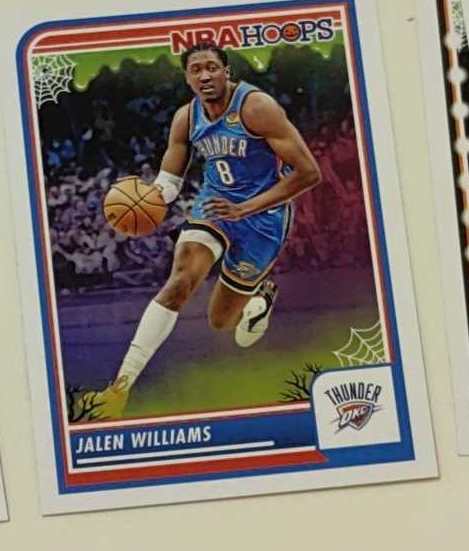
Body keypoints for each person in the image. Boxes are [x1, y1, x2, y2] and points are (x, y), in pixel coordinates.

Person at [86, 44, 322, 420]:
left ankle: (258, 303)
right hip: (214, 206)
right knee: (181, 279)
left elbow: (309, 173)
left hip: (264, 217)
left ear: (227, 72)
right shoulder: (186, 117)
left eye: (212, 67)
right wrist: (147, 199)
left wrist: (245, 208)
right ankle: (119, 389)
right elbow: (169, 182)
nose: (205, 75)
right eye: (196, 70)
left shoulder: (257, 107)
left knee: (222, 322)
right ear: (187, 78)